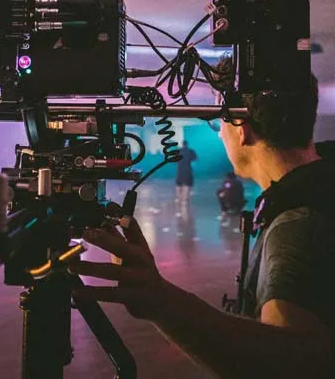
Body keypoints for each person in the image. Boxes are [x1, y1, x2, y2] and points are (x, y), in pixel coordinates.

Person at [71, 59, 335, 379]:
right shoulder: (321, 188)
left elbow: (290, 366)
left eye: (219, 124)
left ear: (242, 129)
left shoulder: (297, 225)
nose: (221, 134)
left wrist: (161, 302)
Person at [175, 139, 197, 204]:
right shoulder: (191, 151)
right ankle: (185, 199)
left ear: (182, 144)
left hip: (180, 170)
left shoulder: (178, 151)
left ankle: (179, 198)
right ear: (187, 144)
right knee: (187, 184)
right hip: (188, 169)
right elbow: (195, 158)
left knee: (179, 185)